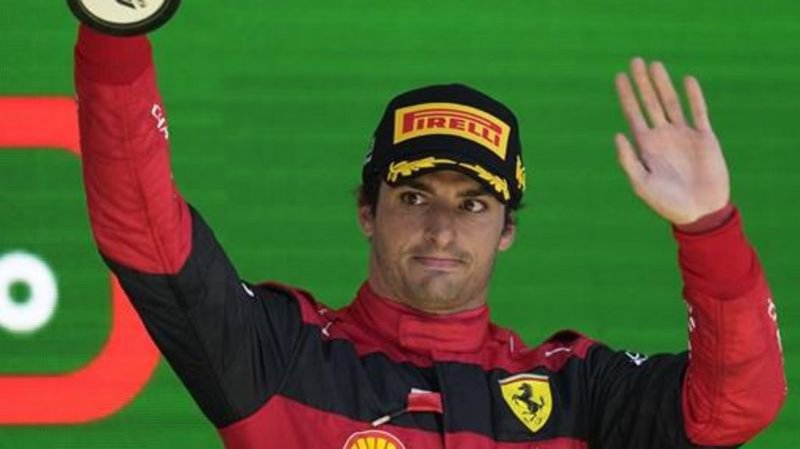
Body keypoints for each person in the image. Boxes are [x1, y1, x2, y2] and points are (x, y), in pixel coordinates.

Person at [73, 23, 785, 449]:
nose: (441, 229)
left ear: (507, 231)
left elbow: (735, 409)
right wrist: (114, 33)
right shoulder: (284, 356)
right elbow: (145, 232)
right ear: (367, 210)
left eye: (473, 204)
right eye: (414, 196)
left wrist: (709, 229)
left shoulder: (576, 391)